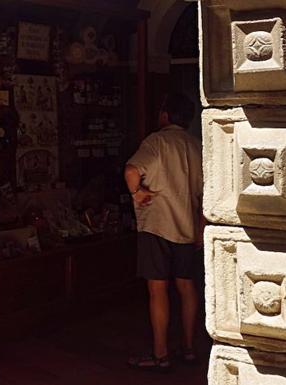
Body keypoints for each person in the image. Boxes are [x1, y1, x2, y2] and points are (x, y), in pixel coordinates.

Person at [124, 93, 203, 372]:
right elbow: (206, 195)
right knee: (186, 285)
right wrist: (201, 230)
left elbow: (132, 170)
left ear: (165, 115)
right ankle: (190, 348)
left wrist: (137, 192)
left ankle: (160, 354)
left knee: (158, 289)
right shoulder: (196, 146)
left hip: (157, 225)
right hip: (188, 227)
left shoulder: (156, 141)